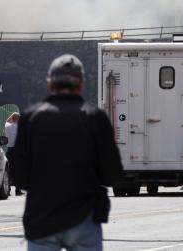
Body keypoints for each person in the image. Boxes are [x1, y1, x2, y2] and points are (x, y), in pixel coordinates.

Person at [11, 54, 123, 250]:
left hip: (41, 219)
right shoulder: (96, 118)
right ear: (81, 83)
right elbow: (112, 174)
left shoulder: (31, 118)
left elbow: (19, 177)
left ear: (49, 83)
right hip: (84, 216)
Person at [5, 112, 22, 196]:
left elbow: (6, 121)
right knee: (18, 170)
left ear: (12, 119)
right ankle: (18, 190)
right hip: (18, 151)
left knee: (9, 171)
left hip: (10, 150)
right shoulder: (21, 127)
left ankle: (7, 190)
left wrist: (12, 115)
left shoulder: (8, 127)